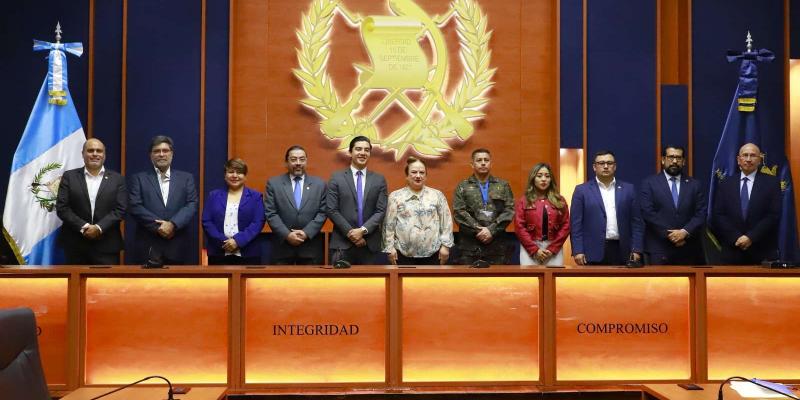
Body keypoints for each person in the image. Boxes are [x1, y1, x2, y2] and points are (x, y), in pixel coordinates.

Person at [128, 135, 198, 265]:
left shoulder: (186, 178)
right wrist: (159, 226)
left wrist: (172, 224)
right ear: (150, 155)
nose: (161, 154)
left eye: (165, 151)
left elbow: (192, 204)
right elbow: (135, 206)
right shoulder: (139, 178)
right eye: (156, 151)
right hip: (148, 244)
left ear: (172, 154)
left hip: (177, 244)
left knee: (180, 285)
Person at [56, 138, 127, 264]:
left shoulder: (117, 179)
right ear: (83, 154)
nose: (95, 154)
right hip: (76, 244)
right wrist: (85, 227)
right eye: (90, 150)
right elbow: (62, 208)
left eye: (99, 151)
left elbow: (121, 209)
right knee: (76, 284)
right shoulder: (69, 177)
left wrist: (99, 228)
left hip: (107, 245)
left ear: (104, 155)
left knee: (106, 284)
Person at [710, 143, 781, 264]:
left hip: (761, 250)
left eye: (753, 155)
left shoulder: (772, 183)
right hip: (732, 249)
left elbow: (773, 215)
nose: (748, 159)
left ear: (759, 160)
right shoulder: (726, 183)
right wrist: (736, 237)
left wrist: (750, 237)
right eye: (745, 155)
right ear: (738, 160)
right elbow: (718, 214)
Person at [570, 150, 643, 265]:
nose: (605, 166)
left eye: (609, 163)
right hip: (592, 251)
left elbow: (637, 223)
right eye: (601, 163)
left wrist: (637, 249)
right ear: (594, 167)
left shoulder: (629, 189)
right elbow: (576, 224)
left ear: (615, 166)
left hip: (623, 250)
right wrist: (578, 250)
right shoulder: (581, 190)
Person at [639, 145, 707, 265]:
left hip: (689, 248)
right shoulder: (649, 183)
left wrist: (684, 232)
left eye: (678, 158)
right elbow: (648, 213)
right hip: (659, 248)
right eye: (671, 157)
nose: (675, 161)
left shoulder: (695, 185)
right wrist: (670, 235)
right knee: (660, 284)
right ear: (663, 160)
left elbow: (701, 213)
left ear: (684, 161)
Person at [327, 136, 388, 265]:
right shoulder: (336, 178)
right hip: (342, 244)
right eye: (358, 149)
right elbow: (331, 209)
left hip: (369, 244)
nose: (362, 153)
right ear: (350, 152)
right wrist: (351, 233)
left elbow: (381, 210)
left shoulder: (379, 179)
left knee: (371, 285)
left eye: (366, 150)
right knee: (340, 284)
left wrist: (362, 230)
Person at [383, 157, 454, 265]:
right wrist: (389, 248)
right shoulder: (395, 197)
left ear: (426, 176)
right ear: (407, 175)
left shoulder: (437, 195)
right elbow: (388, 225)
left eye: (422, 172)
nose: (418, 176)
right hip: (402, 255)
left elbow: (446, 222)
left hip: (434, 254)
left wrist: (446, 247)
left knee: (429, 282)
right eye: (414, 172)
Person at [264, 145, 327, 264]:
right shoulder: (274, 184)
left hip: (310, 246)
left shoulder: (320, 184)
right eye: (293, 159)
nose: (298, 163)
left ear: (306, 161)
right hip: (282, 247)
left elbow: (323, 212)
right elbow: (271, 213)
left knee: (310, 283)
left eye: (302, 159)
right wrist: (287, 235)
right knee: (281, 283)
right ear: (286, 162)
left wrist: (306, 233)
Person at [453, 148, 514, 265]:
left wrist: (491, 230)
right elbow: (459, 212)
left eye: (486, 160)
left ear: (491, 163)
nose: (483, 163)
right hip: (470, 246)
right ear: (472, 164)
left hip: (497, 245)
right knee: (469, 282)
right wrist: (479, 230)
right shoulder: (463, 186)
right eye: (479, 160)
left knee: (497, 282)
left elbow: (509, 211)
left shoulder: (503, 185)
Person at [202, 158, 265, 265]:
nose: (235, 175)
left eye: (239, 172)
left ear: (245, 176)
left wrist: (238, 241)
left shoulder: (256, 196)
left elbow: (258, 222)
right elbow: (206, 221)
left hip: (248, 253)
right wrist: (224, 242)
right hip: (219, 252)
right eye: (231, 172)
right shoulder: (214, 196)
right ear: (225, 175)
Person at [514, 163, 570, 266]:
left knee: (554, 280)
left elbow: (566, 225)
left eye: (547, 176)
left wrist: (552, 248)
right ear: (533, 178)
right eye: (539, 176)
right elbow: (519, 227)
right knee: (530, 280)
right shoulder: (524, 200)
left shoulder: (559, 200)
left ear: (551, 179)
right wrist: (535, 249)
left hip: (553, 248)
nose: (543, 179)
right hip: (530, 248)